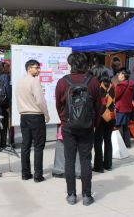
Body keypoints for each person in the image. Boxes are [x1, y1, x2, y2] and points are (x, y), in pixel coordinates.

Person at [55, 52, 100, 206]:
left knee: (69, 160)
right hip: (87, 127)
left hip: (68, 127)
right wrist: (94, 123)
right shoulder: (93, 81)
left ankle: (72, 195)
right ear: (85, 64)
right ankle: (87, 196)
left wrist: (64, 121)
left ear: (71, 64)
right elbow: (98, 107)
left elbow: (59, 106)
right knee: (86, 160)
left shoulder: (62, 82)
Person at [16, 59, 49, 183]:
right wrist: (46, 114)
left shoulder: (19, 81)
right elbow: (40, 100)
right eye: (36, 67)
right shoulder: (34, 81)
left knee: (25, 145)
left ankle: (25, 173)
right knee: (39, 146)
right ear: (29, 68)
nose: (38, 70)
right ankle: (38, 175)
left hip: (24, 116)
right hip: (36, 116)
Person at [93, 68, 115, 173]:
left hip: (101, 117)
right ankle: (108, 164)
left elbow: (99, 103)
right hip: (111, 116)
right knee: (108, 140)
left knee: (98, 141)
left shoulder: (99, 87)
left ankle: (99, 166)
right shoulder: (112, 86)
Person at [115, 68, 134, 148]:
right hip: (128, 108)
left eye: (119, 74)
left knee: (119, 126)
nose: (118, 76)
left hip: (120, 108)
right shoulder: (131, 84)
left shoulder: (121, 85)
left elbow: (115, 96)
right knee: (125, 126)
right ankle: (127, 144)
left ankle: (121, 145)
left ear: (123, 75)